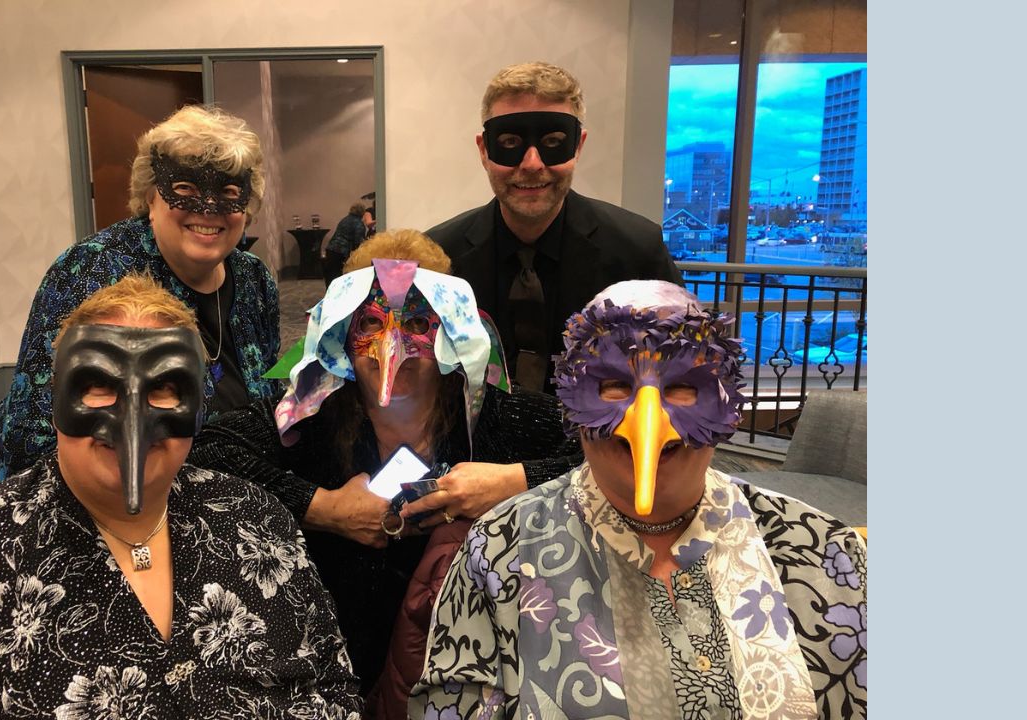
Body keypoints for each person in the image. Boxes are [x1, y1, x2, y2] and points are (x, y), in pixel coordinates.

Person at [0, 275, 362, 719]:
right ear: (56, 398)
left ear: (198, 406)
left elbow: (332, 681)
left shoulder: (256, 520)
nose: (133, 418)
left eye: (164, 388)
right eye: (98, 384)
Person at [412, 280, 867, 719]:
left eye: (682, 388)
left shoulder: (825, 551)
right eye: (613, 386)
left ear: (725, 401)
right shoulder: (498, 550)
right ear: (571, 400)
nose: (648, 420)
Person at [187, 229, 580, 699]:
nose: (392, 347)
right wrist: (324, 507)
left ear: (451, 330)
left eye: (417, 324)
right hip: (342, 652)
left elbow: (607, 450)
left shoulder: (493, 415)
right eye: (371, 323)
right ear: (343, 330)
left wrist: (513, 482)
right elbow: (207, 451)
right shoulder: (315, 411)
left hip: (466, 657)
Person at [0, 104, 282, 491]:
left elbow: (268, 404)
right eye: (184, 189)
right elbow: (38, 439)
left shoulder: (254, 279)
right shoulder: (91, 271)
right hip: (107, 492)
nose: (208, 208)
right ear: (150, 196)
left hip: (237, 483)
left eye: (229, 192)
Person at [426, 61, 682, 394]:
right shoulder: (439, 261)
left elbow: (683, 373)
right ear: (484, 150)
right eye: (509, 142)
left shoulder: (637, 252)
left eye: (553, 141)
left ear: (578, 145)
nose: (532, 163)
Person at [325, 201, 371, 286]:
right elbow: (358, 242)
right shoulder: (359, 223)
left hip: (331, 248)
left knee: (331, 275)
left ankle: (329, 292)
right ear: (362, 212)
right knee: (339, 277)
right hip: (341, 252)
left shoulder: (344, 219)